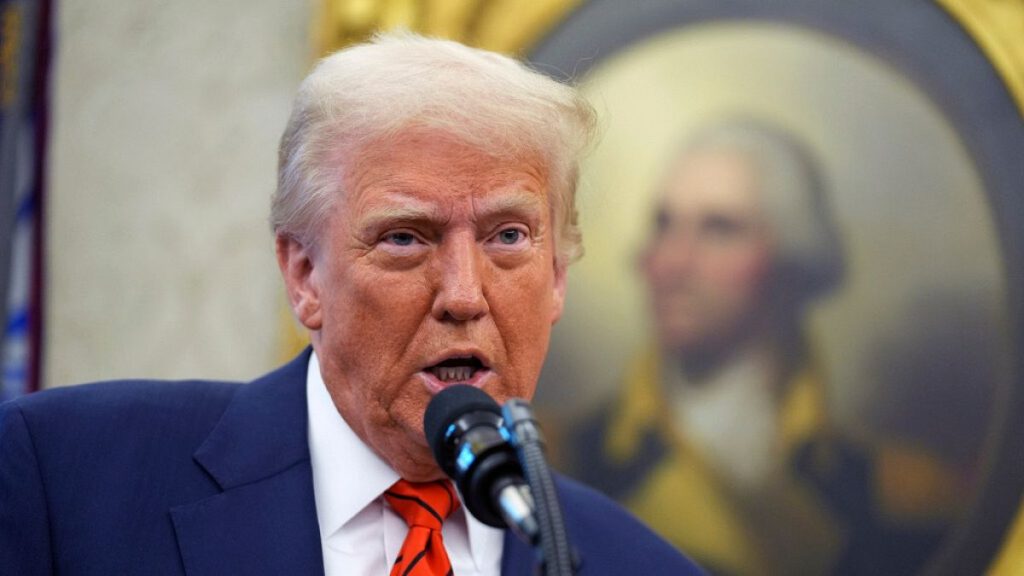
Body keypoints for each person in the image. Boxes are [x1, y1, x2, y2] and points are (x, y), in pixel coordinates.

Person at [0, 33, 702, 575]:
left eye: (508, 236)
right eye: (405, 237)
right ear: (305, 274)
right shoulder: (67, 478)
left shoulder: (638, 565)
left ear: (556, 277)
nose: (463, 295)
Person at [564, 120, 960, 575]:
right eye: (663, 224)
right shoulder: (565, 459)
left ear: (793, 258)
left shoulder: (900, 495)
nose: (670, 261)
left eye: (719, 229)